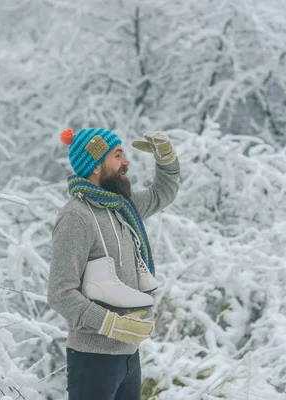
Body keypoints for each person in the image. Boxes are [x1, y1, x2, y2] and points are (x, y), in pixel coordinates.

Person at [47, 127, 180, 400]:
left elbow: (162, 193)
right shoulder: (76, 217)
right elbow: (60, 293)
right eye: (118, 155)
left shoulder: (123, 208)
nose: (126, 162)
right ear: (96, 165)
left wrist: (166, 159)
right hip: (93, 358)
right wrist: (110, 325)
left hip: (129, 355)